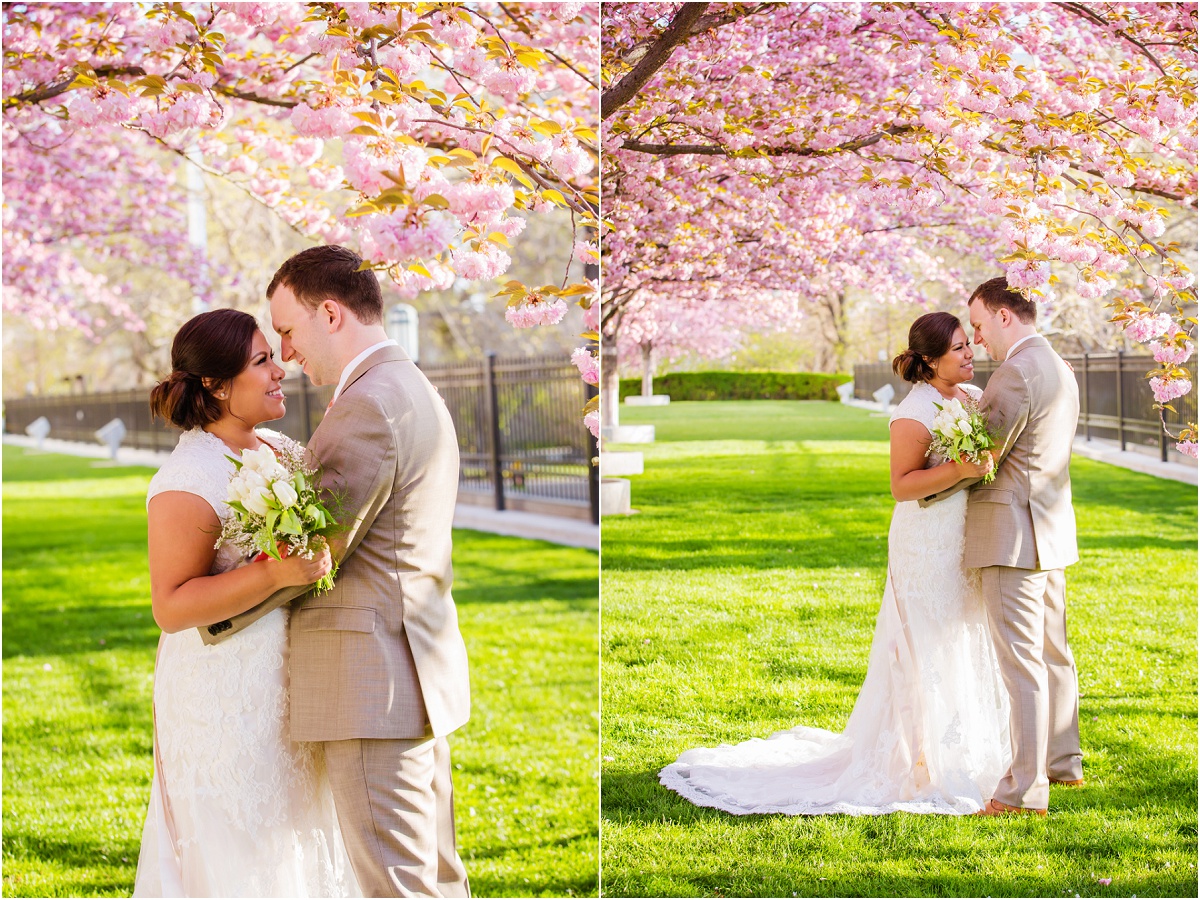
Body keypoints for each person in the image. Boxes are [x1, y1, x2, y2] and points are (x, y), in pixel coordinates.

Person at [659, 311, 1010, 816]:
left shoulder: (972, 399)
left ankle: (959, 747)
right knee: (925, 642)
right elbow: (902, 485)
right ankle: (916, 758)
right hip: (925, 543)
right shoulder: (914, 412)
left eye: (966, 344)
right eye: (957, 348)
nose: (968, 353)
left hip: (963, 536)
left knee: (961, 633)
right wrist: (961, 467)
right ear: (930, 361)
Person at [201, 245, 472, 896]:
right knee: (432, 879)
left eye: (288, 331)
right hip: (406, 673)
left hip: (371, 688)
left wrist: (207, 601)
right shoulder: (405, 386)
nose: (286, 355)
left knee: (399, 886)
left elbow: (310, 555)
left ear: (329, 313)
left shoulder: (368, 406)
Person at [134, 308, 357, 896]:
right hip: (222, 692)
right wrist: (272, 573)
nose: (280, 368)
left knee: (301, 824)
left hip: (291, 677)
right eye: (262, 360)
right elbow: (171, 606)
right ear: (216, 384)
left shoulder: (282, 449)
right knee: (242, 843)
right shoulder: (188, 478)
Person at [962, 276, 1083, 817]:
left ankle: (1024, 791)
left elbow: (979, 457)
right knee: (1052, 654)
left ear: (1004, 316)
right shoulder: (1058, 365)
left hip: (1012, 537)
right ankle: (1063, 761)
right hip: (1050, 529)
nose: (978, 339)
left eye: (980, 325)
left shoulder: (1014, 373)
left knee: (1021, 665)